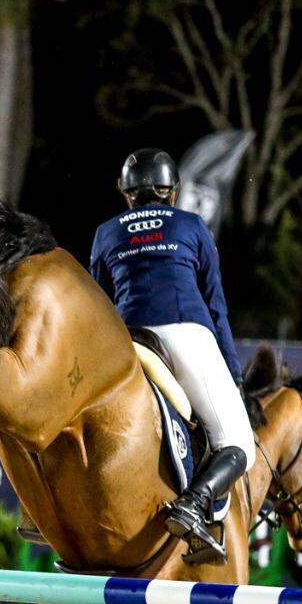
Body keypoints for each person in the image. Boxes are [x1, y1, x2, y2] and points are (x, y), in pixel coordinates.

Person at [89, 148, 255, 563]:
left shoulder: (106, 231)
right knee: (238, 443)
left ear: (126, 193)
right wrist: (233, 373)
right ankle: (193, 504)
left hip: (128, 340)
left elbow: (99, 301)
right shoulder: (192, 225)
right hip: (185, 332)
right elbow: (216, 306)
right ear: (173, 192)